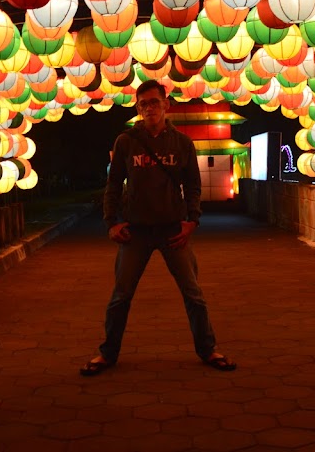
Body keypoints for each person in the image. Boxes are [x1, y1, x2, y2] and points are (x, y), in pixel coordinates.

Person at [80, 79, 236, 376]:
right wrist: (111, 223)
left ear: (166, 104)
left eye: (154, 102)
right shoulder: (126, 141)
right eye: (143, 104)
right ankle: (107, 354)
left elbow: (192, 185)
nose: (149, 108)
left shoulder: (181, 143)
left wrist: (192, 221)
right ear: (138, 109)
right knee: (120, 296)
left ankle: (208, 349)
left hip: (173, 230)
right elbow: (113, 186)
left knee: (193, 294)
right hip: (135, 231)